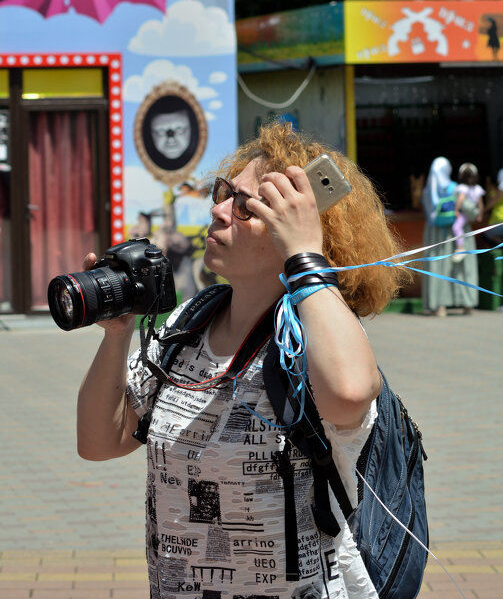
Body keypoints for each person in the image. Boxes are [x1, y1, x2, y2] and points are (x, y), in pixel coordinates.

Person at [77, 122, 409, 599]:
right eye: (222, 193)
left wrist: (305, 256)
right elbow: (99, 441)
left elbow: (350, 394)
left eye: (245, 206)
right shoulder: (189, 324)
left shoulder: (315, 336)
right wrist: (117, 334)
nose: (217, 210)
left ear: (296, 230)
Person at [421, 156, 479, 317]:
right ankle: (467, 304)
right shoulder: (455, 188)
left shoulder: (427, 192)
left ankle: (438, 306)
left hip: (434, 236)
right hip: (456, 234)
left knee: (436, 268)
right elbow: (472, 212)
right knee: (463, 268)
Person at [451, 163, 485, 262]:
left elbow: (460, 200)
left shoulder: (462, 188)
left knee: (456, 227)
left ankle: (460, 247)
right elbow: (480, 204)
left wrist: (456, 210)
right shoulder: (478, 188)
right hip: (473, 213)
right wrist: (480, 215)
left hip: (465, 214)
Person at [483, 168, 503, 244]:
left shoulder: (500, 191)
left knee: (487, 234)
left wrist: (481, 212)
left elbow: (491, 202)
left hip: (499, 222)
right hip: (497, 222)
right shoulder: (496, 190)